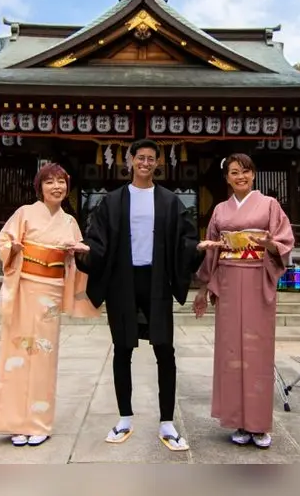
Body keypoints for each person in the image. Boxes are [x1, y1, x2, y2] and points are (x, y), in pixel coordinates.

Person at [77, 139, 202, 452]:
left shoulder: (170, 201)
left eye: (151, 159)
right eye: (140, 158)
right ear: (130, 160)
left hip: (157, 280)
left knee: (165, 350)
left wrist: (197, 250)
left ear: (157, 163)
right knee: (122, 349)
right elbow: (98, 241)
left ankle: (166, 421)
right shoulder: (114, 201)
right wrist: (85, 254)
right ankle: (124, 418)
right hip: (123, 280)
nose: (145, 163)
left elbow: (184, 239)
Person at [0, 162, 100, 447]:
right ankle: (15, 422)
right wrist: (13, 249)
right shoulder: (24, 213)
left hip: (51, 292)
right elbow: (3, 242)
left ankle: (39, 422)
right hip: (24, 286)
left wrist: (80, 251)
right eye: (50, 182)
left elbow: (79, 259)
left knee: (43, 357)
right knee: (16, 356)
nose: (57, 187)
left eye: (61, 182)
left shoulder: (70, 222)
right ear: (39, 187)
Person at [194, 153, 295, 449]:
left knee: (257, 351)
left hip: (256, 277)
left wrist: (270, 245)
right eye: (234, 172)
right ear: (226, 178)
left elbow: (285, 241)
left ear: (253, 175)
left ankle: (260, 425)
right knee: (231, 351)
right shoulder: (220, 210)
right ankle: (238, 421)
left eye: (245, 172)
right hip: (226, 280)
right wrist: (204, 285)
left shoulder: (270, 205)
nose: (240, 176)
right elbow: (213, 248)